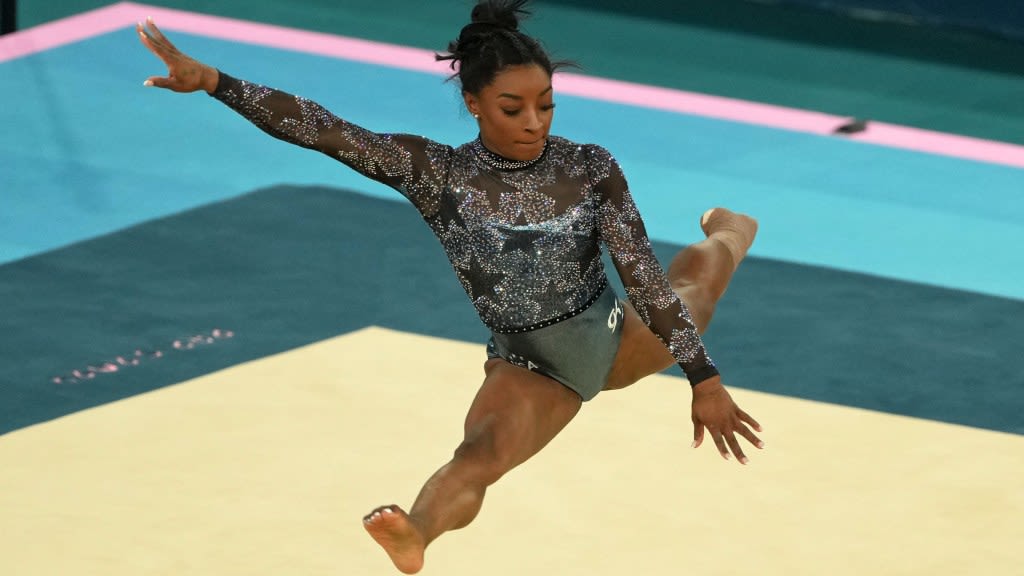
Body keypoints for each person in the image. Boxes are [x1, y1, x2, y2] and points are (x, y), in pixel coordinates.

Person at [137, 1, 763, 573]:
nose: (533, 122)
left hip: (611, 338)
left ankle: (732, 229)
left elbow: (643, 278)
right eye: (512, 108)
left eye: (546, 103)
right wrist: (217, 83)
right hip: (531, 362)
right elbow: (324, 129)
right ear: (474, 104)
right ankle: (416, 533)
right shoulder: (437, 173)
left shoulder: (588, 168)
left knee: (695, 283)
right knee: (479, 454)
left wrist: (703, 378)